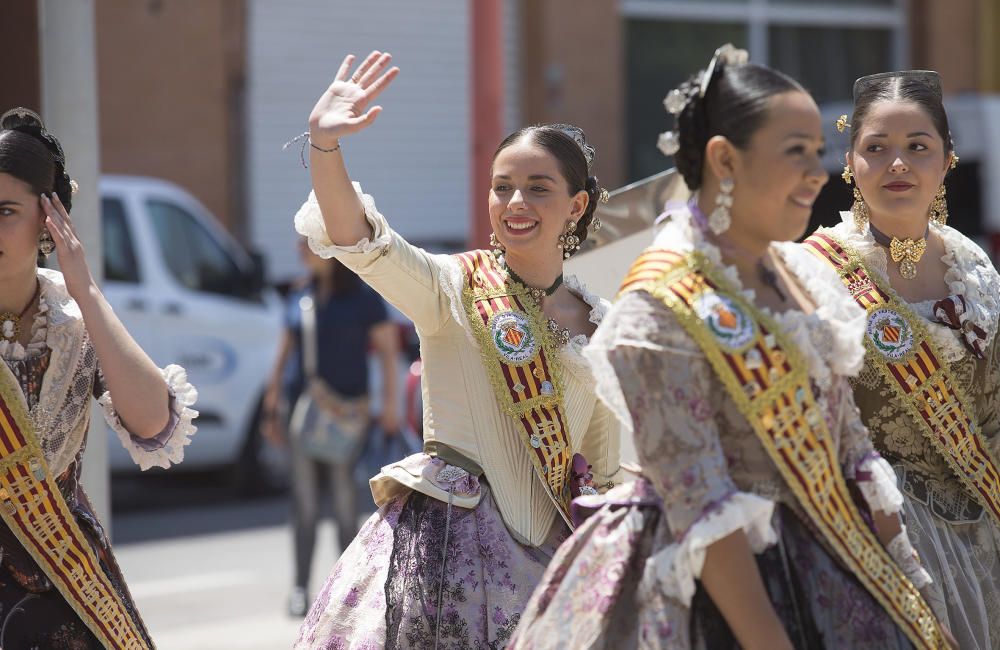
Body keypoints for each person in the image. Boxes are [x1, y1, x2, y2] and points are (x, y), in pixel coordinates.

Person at [509, 46, 953, 650]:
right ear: (724, 160)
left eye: (817, 153)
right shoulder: (661, 302)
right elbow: (702, 511)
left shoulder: (800, 278)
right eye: (793, 153)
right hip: (707, 593)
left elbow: (850, 449)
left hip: (832, 565)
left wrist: (907, 582)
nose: (817, 175)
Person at [289, 51, 621, 649]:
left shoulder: (600, 323)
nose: (515, 202)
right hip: (447, 550)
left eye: (537, 188)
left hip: (550, 558)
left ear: (576, 205)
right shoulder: (453, 284)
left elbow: (603, 468)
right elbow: (359, 240)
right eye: (503, 188)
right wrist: (324, 147)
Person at [803, 70, 1000, 650]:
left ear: (946, 160)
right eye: (877, 148)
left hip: (987, 526)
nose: (898, 165)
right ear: (850, 163)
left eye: (918, 148)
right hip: (883, 538)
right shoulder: (813, 271)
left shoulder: (973, 261)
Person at [0, 108, 198, 648]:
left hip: (67, 580)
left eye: (5, 211)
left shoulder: (72, 318)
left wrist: (85, 290)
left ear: (48, 219)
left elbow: (154, 422)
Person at [262, 237, 400, 617]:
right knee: (303, 504)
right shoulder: (300, 294)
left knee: (344, 505)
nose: (300, 249)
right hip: (303, 415)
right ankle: (300, 589)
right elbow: (284, 349)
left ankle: (346, 592)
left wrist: (390, 404)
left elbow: (388, 353)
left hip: (347, 418)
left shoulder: (363, 298)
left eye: (308, 244)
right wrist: (271, 403)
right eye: (301, 242)